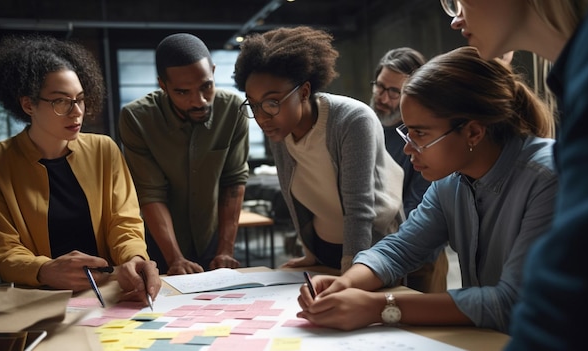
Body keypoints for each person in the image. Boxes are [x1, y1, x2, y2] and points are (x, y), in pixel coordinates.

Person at [297, 46, 557, 334]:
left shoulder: (548, 179)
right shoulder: (451, 182)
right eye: (406, 132)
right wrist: (346, 283)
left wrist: (379, 307)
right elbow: (400, 249)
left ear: (473, 132)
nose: (408, 148)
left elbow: (512, 302)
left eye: (420, 134)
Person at [442, 0, 588, 349]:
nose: (455, 19)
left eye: (457, 1)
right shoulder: (578, 69)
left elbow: (574, 284)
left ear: (472, 132)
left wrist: (386, 305)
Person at [0, 35, 160, 303]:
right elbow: (3, 250)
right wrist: (45, 270)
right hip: (36, 302)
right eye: (61, 101)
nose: (77, 112)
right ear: (28, 105)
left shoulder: (103, 150)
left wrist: (134, 258)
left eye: (81, 99)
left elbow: (125, 222)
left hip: (108, 296)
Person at [232, 26, 406, 274]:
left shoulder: (353, 120)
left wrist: (351, 273)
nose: (261, 117)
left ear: (303, 92)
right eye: (254, 104)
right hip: (323, 252)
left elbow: (360, 209)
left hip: (372, 251)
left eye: (272, 102)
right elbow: (292, 196)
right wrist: (310, 253)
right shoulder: (279, 128)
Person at [119, 33, 249, 275]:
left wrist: (226, 249)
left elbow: (233, 181)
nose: (198, 101)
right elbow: (151, 193)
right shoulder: (137, 118)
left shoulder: (232, 110)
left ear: (212, 71)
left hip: (212, 235)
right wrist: (175, 258)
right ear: (163, 85)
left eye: (206, 86)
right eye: (182, 92)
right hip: (160, 242)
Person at [370, 48, 447, 293]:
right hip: (376, 253)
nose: (383, 97)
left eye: (394, 92)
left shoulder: (424, 137)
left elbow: (419, 210)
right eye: (380, 86)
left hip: (418, 260)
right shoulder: (370, 126)